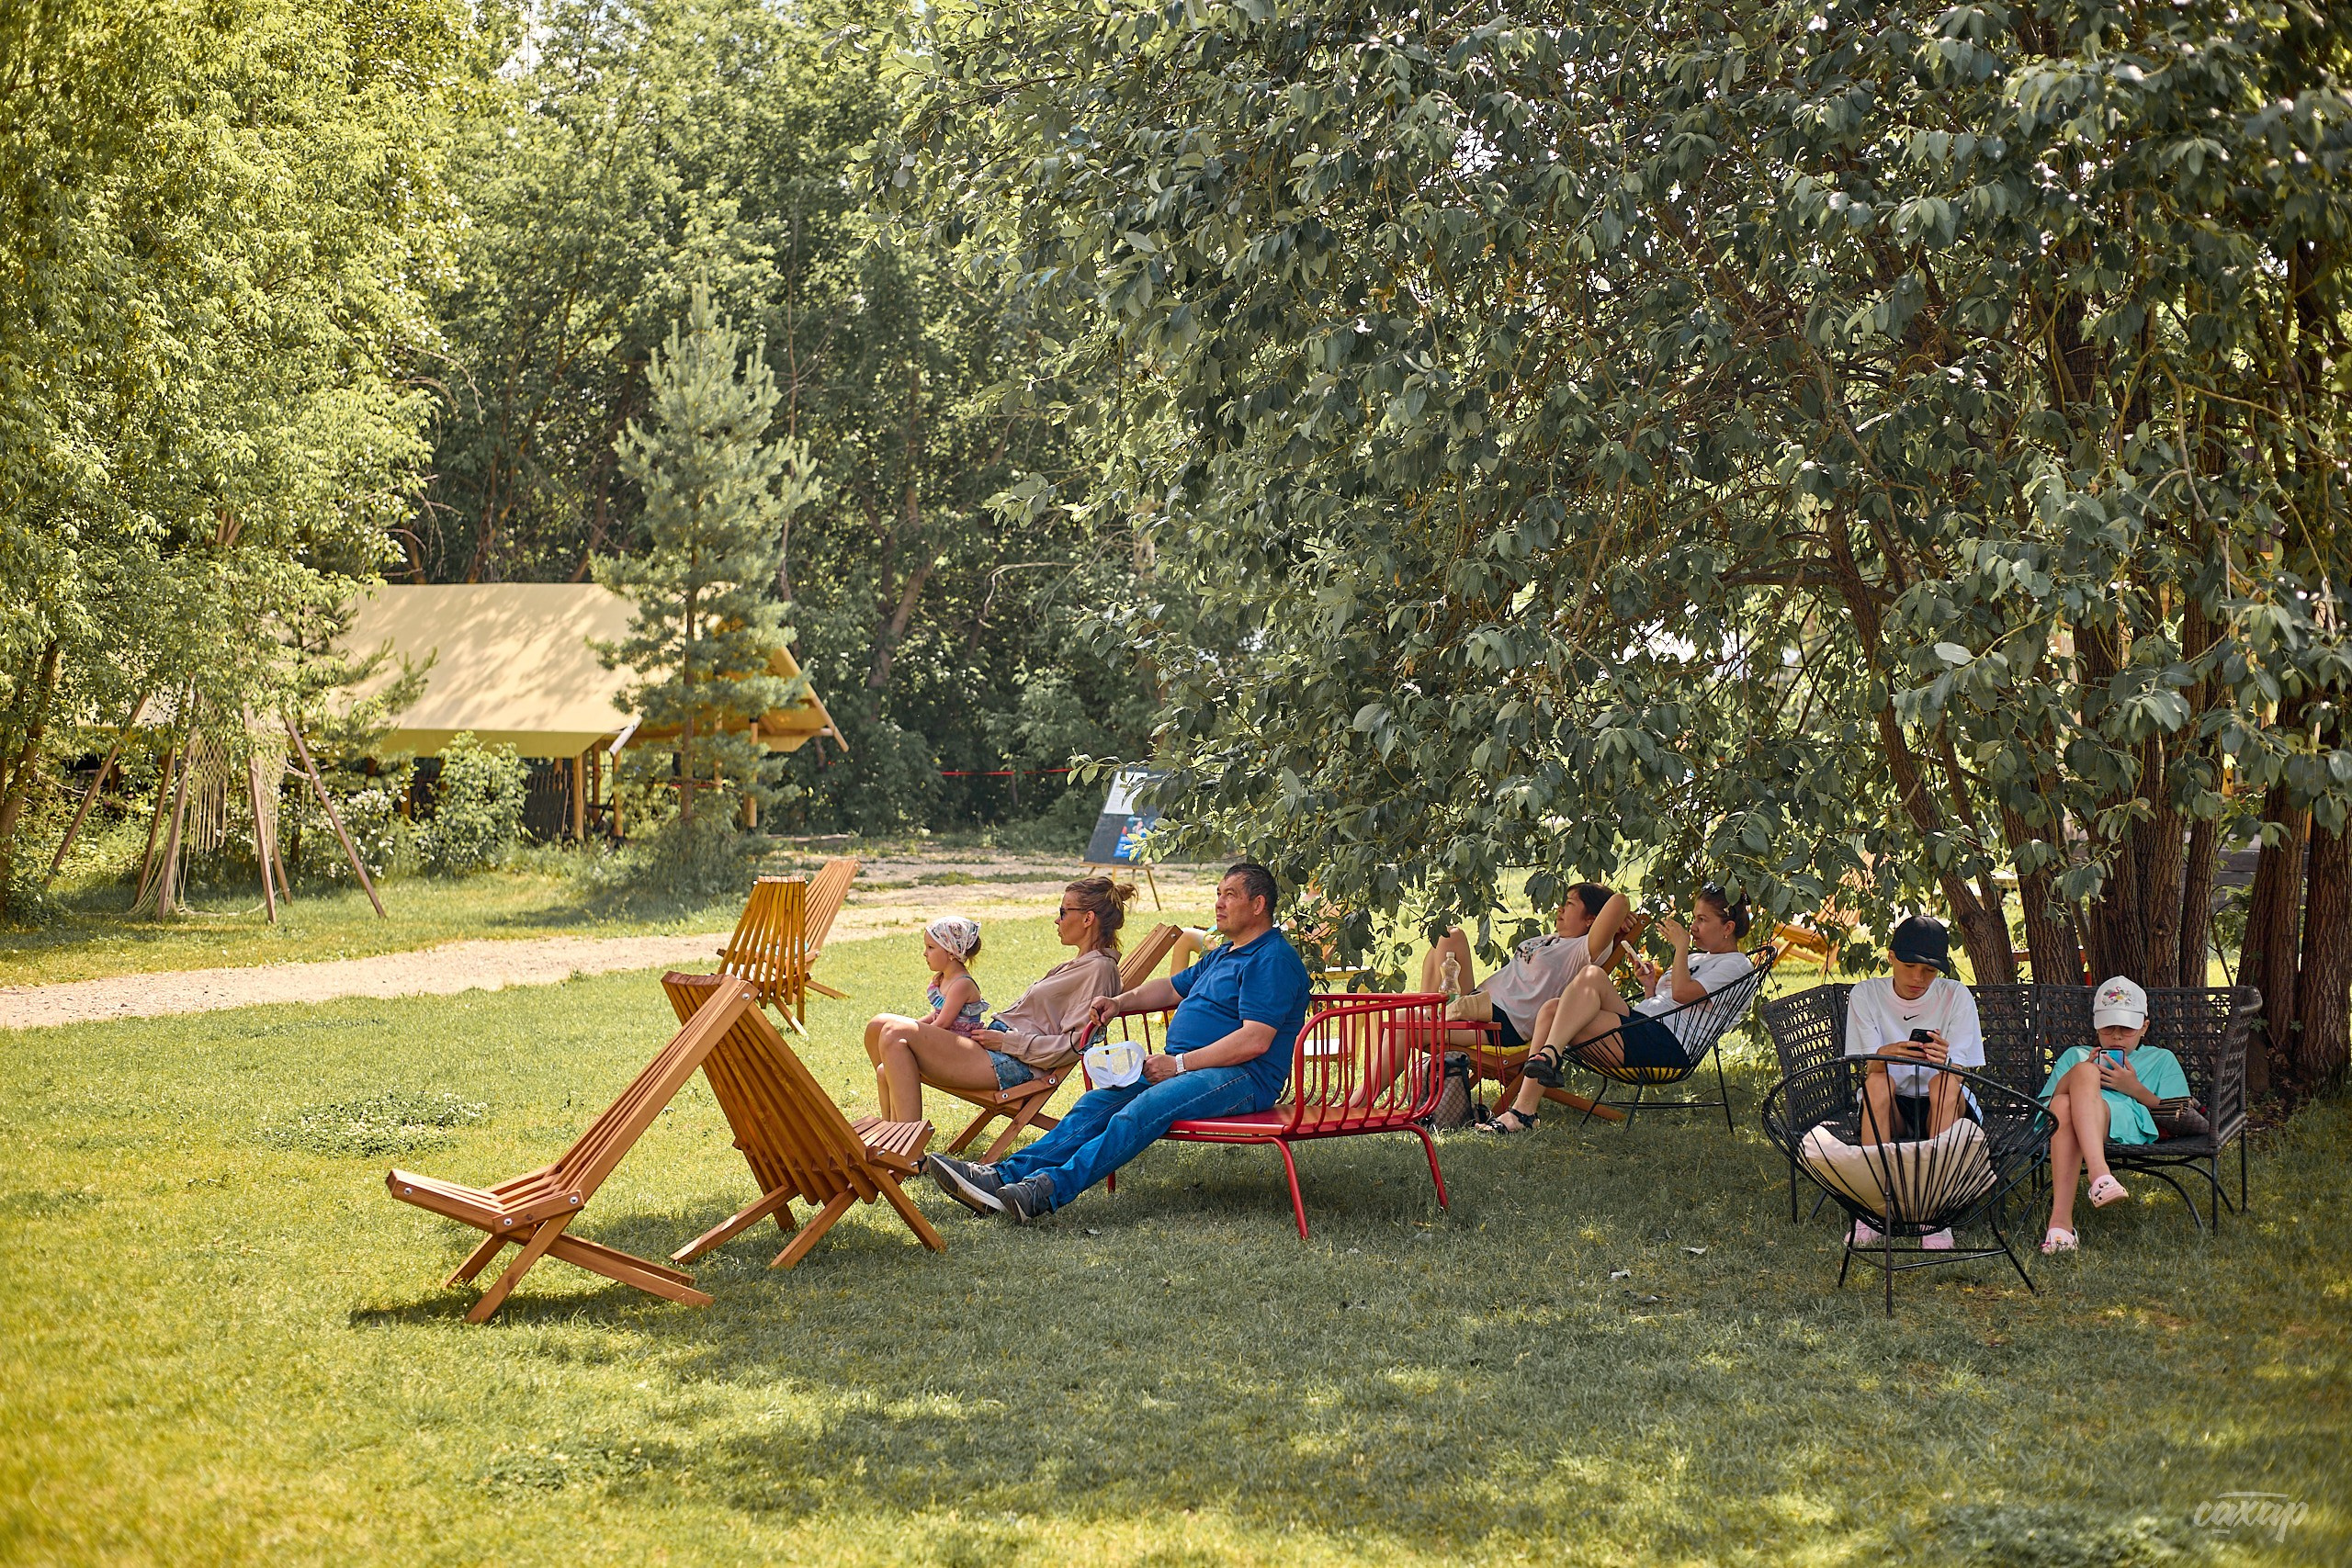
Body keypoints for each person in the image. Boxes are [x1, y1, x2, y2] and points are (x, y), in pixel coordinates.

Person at [925, 862, 1311, 1223]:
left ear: (1258, 905)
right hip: (1190, 1067)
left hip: (1241, 1077)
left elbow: (1254, 1041)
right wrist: (1119, 1002)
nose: (1219, 903)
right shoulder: (1224, 954)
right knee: (1096, 1103)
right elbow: (1170, 989)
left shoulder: (1271, 959)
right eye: (1218, 893)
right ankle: (1000, 1177)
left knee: (1142, 1108)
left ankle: (1043, 1192)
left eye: (1230, 895)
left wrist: (1178, 1064)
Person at [1482, 886, 1758, 1134]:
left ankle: (1536, 1083)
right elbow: (1669, 1003)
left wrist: (1681, 947)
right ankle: (1528, 1101)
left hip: (1668, 1045)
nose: (1693, 927)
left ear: (1728, 927)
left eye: (1702, 920)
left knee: (1564, 1002)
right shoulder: (1698, 958)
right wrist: (1650, 987)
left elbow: (1682, 994)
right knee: (1556, 1004)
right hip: (1645, 1026)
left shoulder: (1737, 965)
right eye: (1695, 918)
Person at [861, 878, 1133, 1122]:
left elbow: (1074, 1044)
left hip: (1011, 1062)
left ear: (1087, 919)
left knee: (895, 1032)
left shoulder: (1099, 970)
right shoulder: (1080, 965)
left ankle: (909, 1149)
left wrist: (1006, 1042)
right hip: (996, 1048)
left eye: (1063, 912)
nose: (1057, 920)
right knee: (878, 1026)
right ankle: (892, 1130)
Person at [1838, 914, 1985, 1249]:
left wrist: (1944, 1061)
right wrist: (1885, 1054)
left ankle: (1933, 1211)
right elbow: (1869, 1070)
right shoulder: (1866, 994)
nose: (1919, 978)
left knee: (1943, 1084)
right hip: (1892, 1106)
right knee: (1877, 1084)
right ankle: (1874, 1209)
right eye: (1909, 966)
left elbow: (1960, 1074)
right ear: (1891, 957)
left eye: (1930, 970)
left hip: (1946, 1104)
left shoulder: (1956, 995)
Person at [2039, 976, 2190, 1254]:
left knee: (2070, 1095)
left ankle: (2063, 1221)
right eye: (2108, 1027)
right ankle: (2097, 1181)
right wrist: (2079, 1075)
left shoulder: (2161, 1059)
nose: (2117, 1036)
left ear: (2144, 1027)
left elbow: (2174, 1110)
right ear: (2096, 1026)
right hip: (2062, 1122)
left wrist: (2133, 1088)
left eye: (2127, 1028)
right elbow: (2048, 1109)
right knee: (2067, 1095)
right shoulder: (2076, 1055)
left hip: (2123, 1121)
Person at [1419, 883, 1634, 1055]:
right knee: (1450, 935)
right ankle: (1427, 1009)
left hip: (1502, 1022)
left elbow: (1619, 901)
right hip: (1474, 1002)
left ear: (1591, 919)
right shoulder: (1553, 939)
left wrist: (1620, 917)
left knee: (1407, 1026)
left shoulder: (1582, 950)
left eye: (1569, 904)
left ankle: (1425, 1019)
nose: (1560, 909)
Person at [917, 918, 989, 1038]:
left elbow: (942, 1023)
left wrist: (913, 1034)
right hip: (943, 1038)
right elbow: (936, 1015)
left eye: (930, 947)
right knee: (886, 1023)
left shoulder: (962, 984)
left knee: (898, 1033)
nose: (925, 953)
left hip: (959, 1043)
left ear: (951, 952)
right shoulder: (942, 978)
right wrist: (911, 1025)